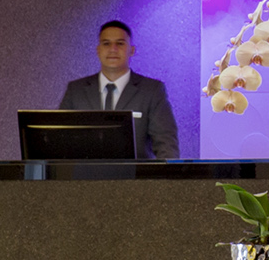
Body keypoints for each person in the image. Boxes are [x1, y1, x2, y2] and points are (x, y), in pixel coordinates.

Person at [57, 18, 180, 160]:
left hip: (137, 179)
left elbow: (166, 143)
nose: (113, 49)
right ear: (98, 50)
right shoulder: (76, 90)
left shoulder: (151, 90)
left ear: (132, 50)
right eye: (106, 43)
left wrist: (166, 179)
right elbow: (60, 139)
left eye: (120, 43)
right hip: (84, 179)